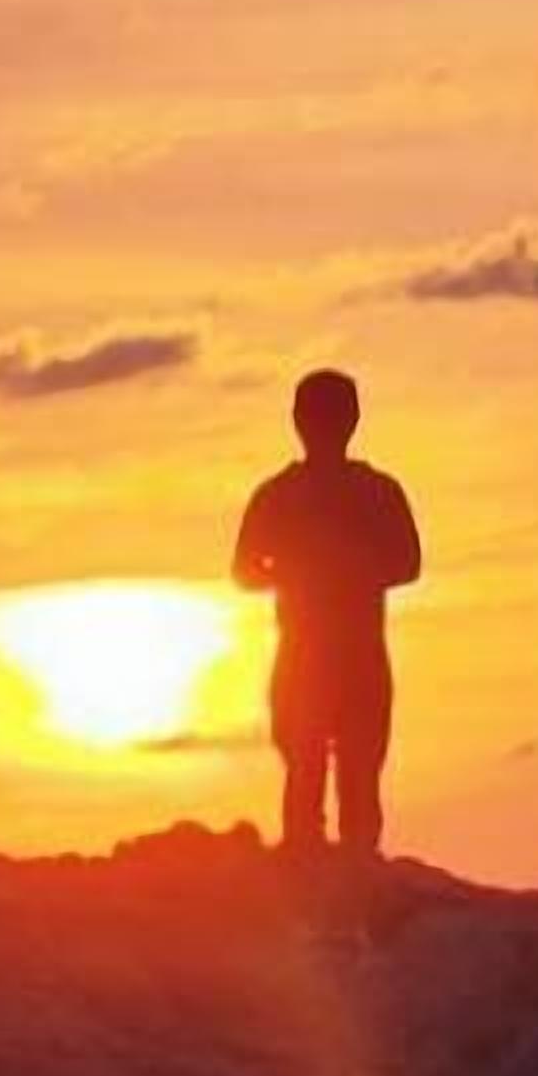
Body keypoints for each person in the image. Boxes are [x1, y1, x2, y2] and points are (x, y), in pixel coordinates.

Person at [233, 368, 422, 871]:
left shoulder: (372, 491)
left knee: (355, 780)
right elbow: (244, 571)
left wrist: (340, 571)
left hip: (351, 655)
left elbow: (407, 564)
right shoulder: (282, 494)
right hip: (308, 655)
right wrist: (300, 574)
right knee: (307, 774)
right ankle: (318, 888)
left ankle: (348, 887)